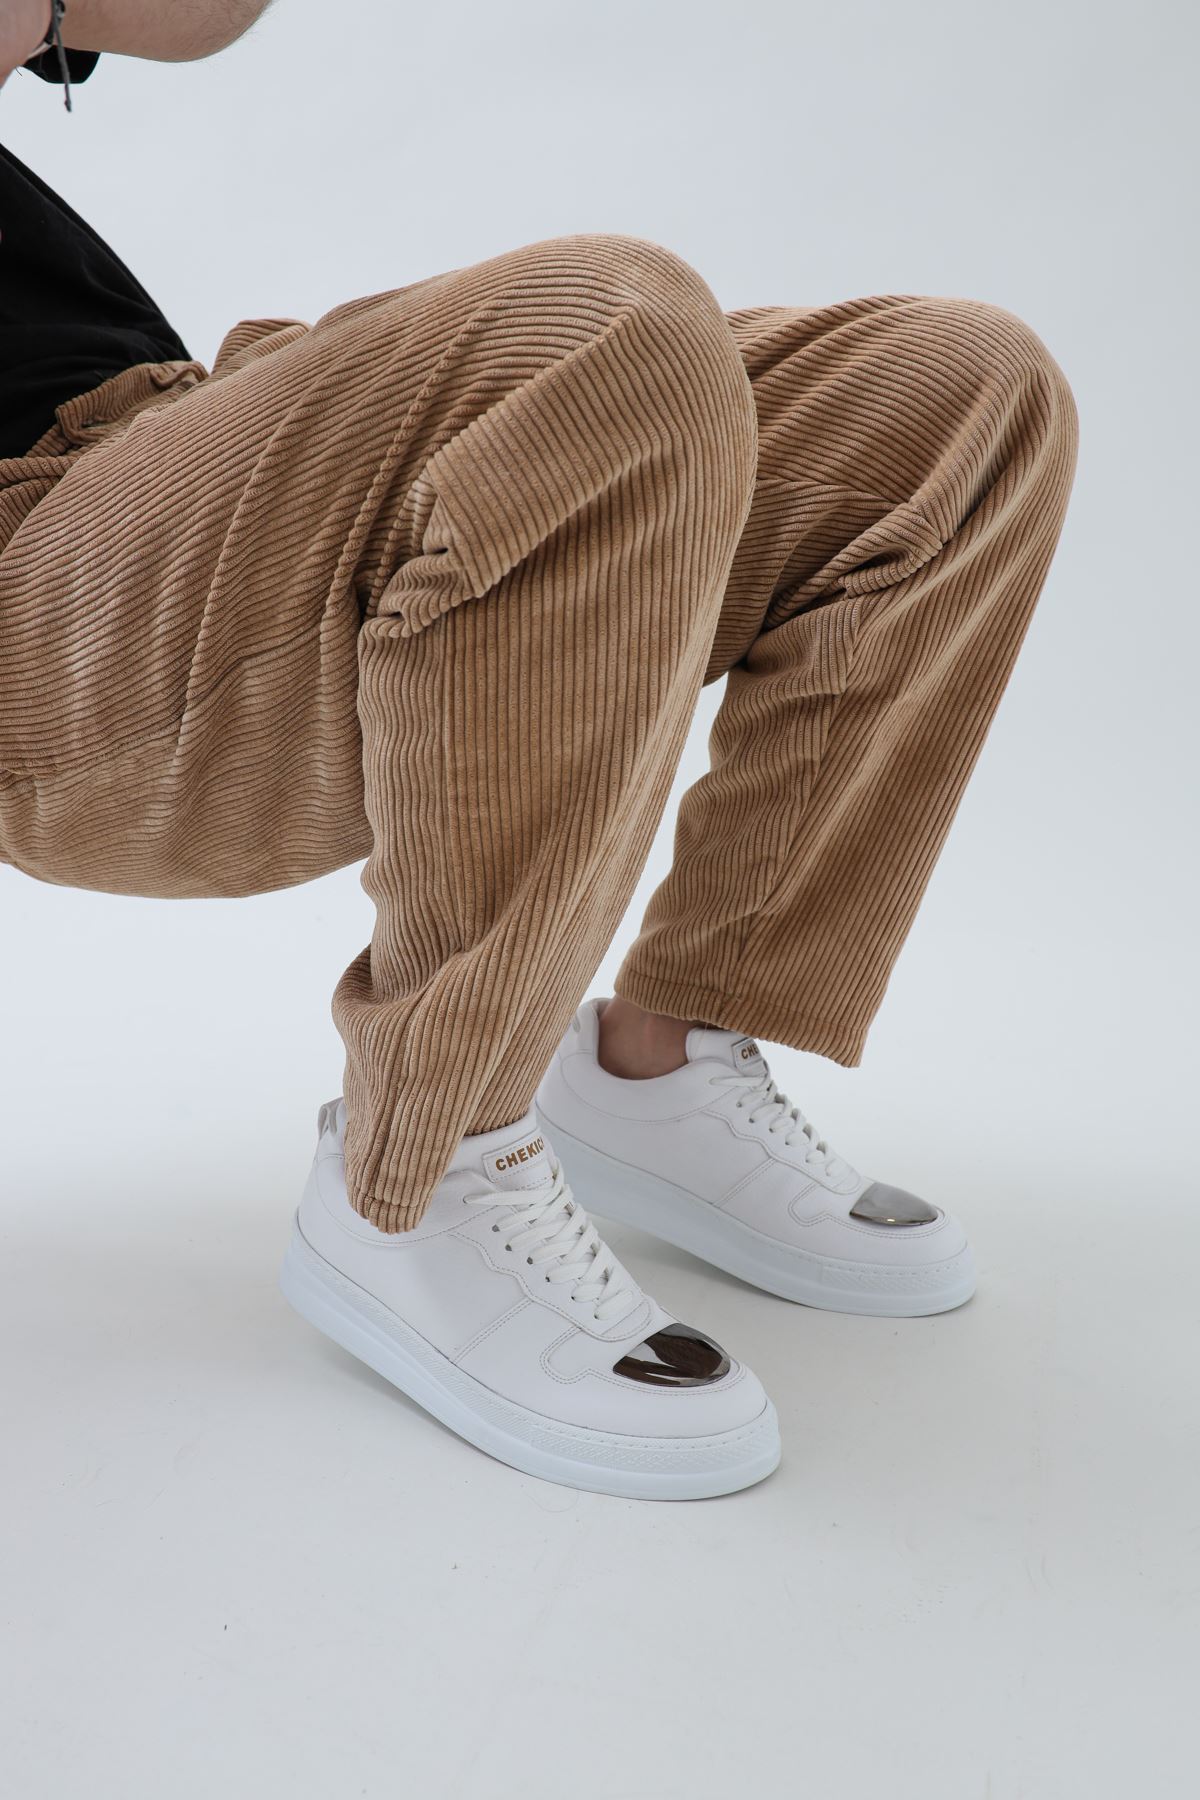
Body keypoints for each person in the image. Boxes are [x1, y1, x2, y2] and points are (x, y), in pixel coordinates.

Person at [1, 2, 1078, 1499]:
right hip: (47, 598)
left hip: (170, 445)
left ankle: (661, 1064)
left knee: (956, 392)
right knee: (609, 330)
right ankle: (419, 1172)